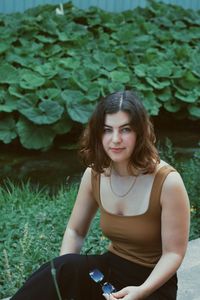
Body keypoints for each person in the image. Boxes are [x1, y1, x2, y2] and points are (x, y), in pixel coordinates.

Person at [11, 90, 190, 300]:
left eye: (125, 129)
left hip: (152, 286)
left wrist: (141, 291)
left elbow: (174, 254)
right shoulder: (94, 175)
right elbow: (75, 231)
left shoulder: (168, 182)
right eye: (107, 130)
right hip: (106, 277)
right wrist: (63, 282)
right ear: (98, 133)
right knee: (64, 267)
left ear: (140, 133)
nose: (115, 139)